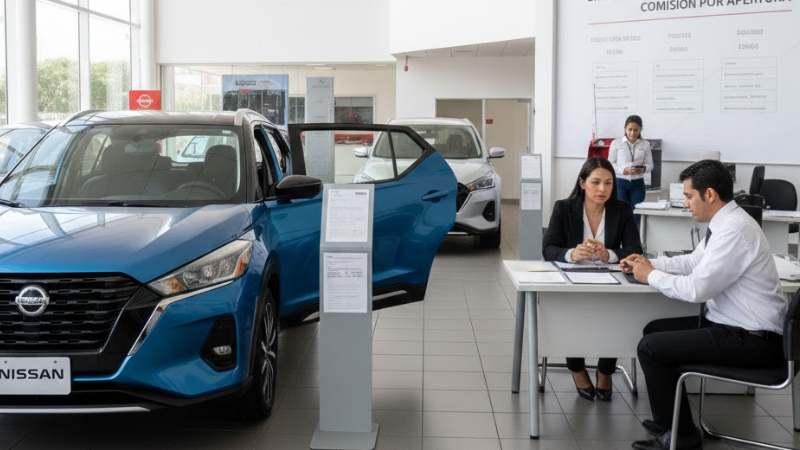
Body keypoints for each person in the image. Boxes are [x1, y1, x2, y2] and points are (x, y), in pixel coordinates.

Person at [621, 159, 786, 450]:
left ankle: (681, 437)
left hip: (755, 340)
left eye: (688, 196)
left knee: (651, 349)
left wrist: (652, 276)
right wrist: (648, 263)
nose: (686, 204)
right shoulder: (724, 223)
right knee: (652, 331)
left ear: (709, 194)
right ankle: (669, 422)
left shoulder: (734, 230)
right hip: (734, 327)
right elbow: (693, 262)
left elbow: (697, 288)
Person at [543, 157, 643, 401]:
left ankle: (605, 370)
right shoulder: (563, 208)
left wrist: (607, 254)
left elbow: (634, 249)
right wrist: (571, 253)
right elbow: (548, 248)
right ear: (582, 183)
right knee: (572, 317)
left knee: (613, 318)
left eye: (608, 183)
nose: (602, 189)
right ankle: (576, 368)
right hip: (571, 281)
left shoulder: (621, 209)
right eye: (596, 182)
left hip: (609, 281)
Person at [607, 115, 653, 222]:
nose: (632, 133)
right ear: (625, 129)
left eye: (636, 130)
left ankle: (634, 238)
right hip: (620, 183)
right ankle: (620, 238)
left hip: (638, 184)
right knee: (621, 214)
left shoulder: (645, 144)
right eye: (630, 129)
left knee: (636, 215)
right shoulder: (616, 143)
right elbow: (610, 163)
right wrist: (623, 170)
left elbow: (650, 165)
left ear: (640, 129)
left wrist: (641, 169)